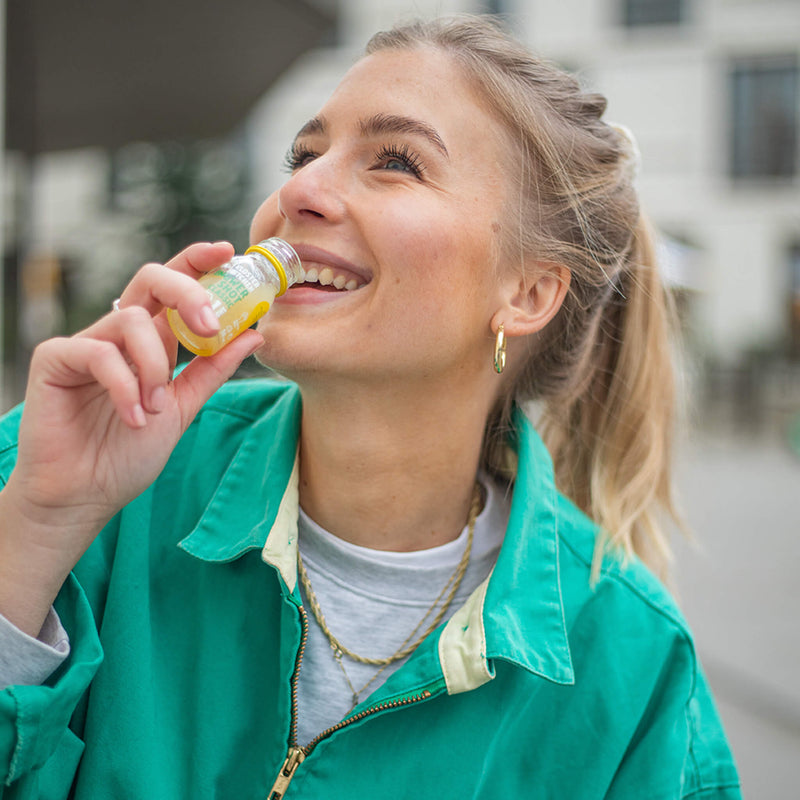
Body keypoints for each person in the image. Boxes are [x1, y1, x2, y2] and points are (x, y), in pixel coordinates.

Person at [0, 14, 741, 799]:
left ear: (527, 292)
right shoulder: (64, 473)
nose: (300, 191)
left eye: (395, 162)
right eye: (305, 154)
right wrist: (38, 526)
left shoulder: (633, 664)